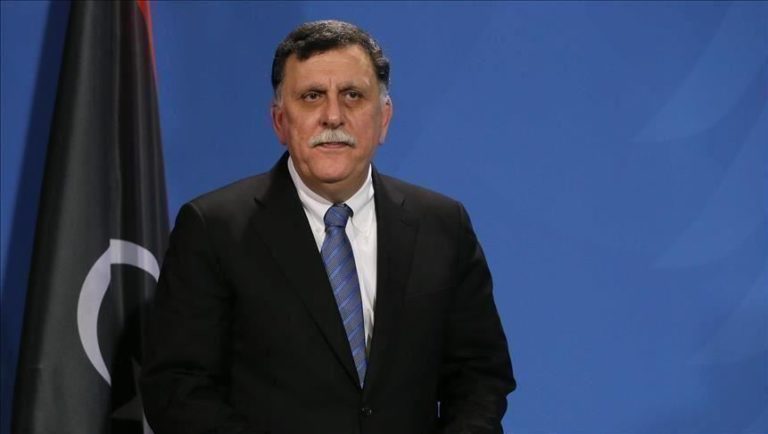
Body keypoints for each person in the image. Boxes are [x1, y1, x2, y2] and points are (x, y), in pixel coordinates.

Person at [140, 20, 516, 434]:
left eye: (353, 95)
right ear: (280, 121)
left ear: (384, 118)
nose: (333, 116)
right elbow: (178, 388)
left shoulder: (443, 225)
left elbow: (480, 376)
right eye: (312, 96)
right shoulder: (214, 229)